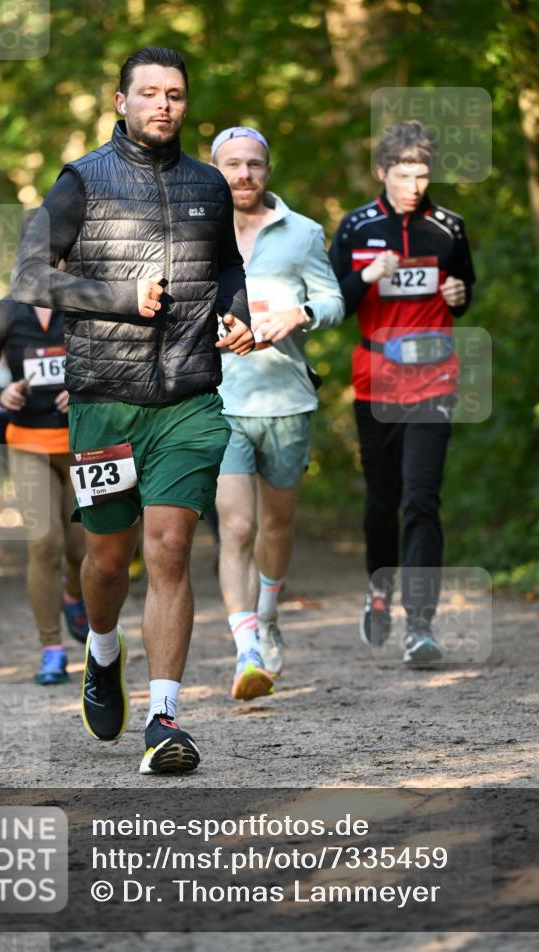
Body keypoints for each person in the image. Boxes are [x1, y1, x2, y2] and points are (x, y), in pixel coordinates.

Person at [10, 46, 253, 773]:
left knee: (170, 549)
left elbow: (228, 268)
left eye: (174, 94)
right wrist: (119, 299)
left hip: (187, 400)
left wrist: (234, 314)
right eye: (148, 93)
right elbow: (29, 276)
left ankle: (165, 718)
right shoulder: (80, 181)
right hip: (103, 408)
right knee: (107, 562)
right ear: (120, 101)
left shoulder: (210, 185)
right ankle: (102, 647)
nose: (163, 106)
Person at [329, 120, 475, 666]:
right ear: (382, 172)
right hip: (376, 380)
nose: (414, 185)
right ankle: (379, 587)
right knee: (382, 503)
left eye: (423, 174)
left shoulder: (449, 227)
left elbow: (463, 288)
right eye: (403, 174)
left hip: (435, 380)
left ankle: (420, 625)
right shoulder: (356, 228)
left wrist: (460, 296)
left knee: (421, 499)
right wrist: (367, 278)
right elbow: (335, 305)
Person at [211, 127, 343, 699]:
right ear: (215, 170)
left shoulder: (303, 233)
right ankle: (246, 652)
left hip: (287, 400)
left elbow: (336, 301)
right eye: (232, 165)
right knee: (235, 527)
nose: (243, 175)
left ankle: (267, 613)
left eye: (254, 165)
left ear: (268, 170)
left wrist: (300, 315)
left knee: (276, 527)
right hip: (218, 401)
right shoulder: (194, 230)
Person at [0, 283, 89, 686]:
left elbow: (114, 362)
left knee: (81, 548)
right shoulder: (7, 312)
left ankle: (74, 595)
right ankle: (52, 649)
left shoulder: (86, 304)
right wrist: (1, 392)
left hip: (82, 446)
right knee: (43, 542)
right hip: (28, 444)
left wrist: (84, 387)